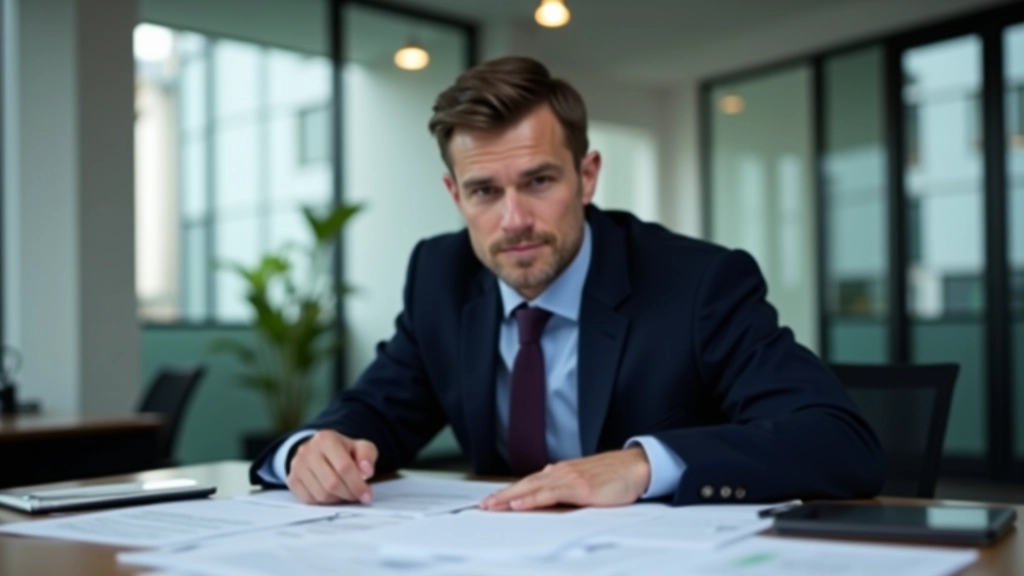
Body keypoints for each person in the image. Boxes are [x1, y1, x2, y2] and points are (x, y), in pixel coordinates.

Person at [250, 56, 883, 510]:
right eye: (484, 192)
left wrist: (641, 466)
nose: (514, 219)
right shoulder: (440, 278)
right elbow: (374, 412)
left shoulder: (699, 284)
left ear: (587, 176)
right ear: (455, 194)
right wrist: (311, 448)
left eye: (539, 181)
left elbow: (838, 441)